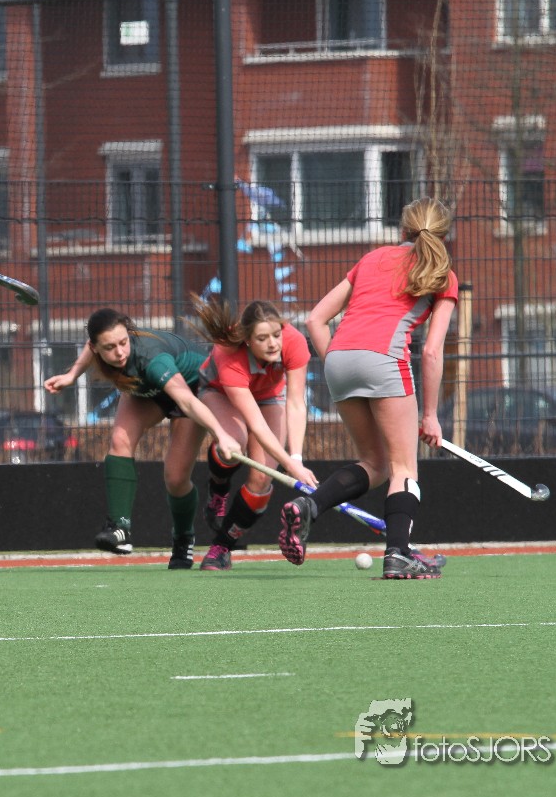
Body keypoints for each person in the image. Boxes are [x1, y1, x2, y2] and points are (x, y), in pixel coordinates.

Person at [277, 197, 457, 580]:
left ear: (403, 229)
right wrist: (430, 415)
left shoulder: (372, 258)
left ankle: (309, 507)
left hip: (339, 358)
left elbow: (315, 319)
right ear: (444, 235)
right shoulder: (442, 273)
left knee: (375, 464)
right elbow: (431, 351)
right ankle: (398, 554)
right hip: (384, 360)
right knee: (403, 467)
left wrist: (339, 364)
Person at [44, 309, 242, 570]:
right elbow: (90, 348)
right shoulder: (99, 347)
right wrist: (72, 375)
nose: (119, 353)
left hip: (191, 389)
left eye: (123, 342)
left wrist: (221, 435)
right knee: (120, 439)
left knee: (175, 478)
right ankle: (120, 528)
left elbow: (186, 401)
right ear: (96, 347)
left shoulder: (152, 359)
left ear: (129, 334)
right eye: (110, 347)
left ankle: (183, 539)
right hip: (150, 390)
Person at [191, 298, 320, 570]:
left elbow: (296, 403)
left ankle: (221, 547)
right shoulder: (229, 354)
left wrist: (296, 458)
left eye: (276, 335)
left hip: (269, 396)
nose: (273, 344)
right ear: (248, 341)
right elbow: (257, 426)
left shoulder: (294, 342)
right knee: (233, 445)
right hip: (219, 392)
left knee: (262, 477)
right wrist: (289, 465)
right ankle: (218, 489)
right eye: (262, 338)